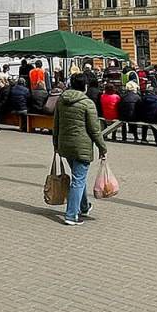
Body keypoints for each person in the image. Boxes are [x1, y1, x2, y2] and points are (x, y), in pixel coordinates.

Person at [52, 73, 108, 226]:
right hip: (82, 146)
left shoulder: (61, 100)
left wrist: (55, 144)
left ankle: (83, 206)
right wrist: (102, 147)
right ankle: (71, 215)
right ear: (85, 86)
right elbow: (95, 129)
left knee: (78, 177)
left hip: (65, 145)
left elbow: (56, 124)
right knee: (78, 180)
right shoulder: (87, 103)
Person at [139, 79, 157, 146]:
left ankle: (143, 139)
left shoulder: (143, 98)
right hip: (155, 117)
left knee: (144, 124)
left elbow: (140, 108)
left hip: (145, 118)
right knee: (154, 125)